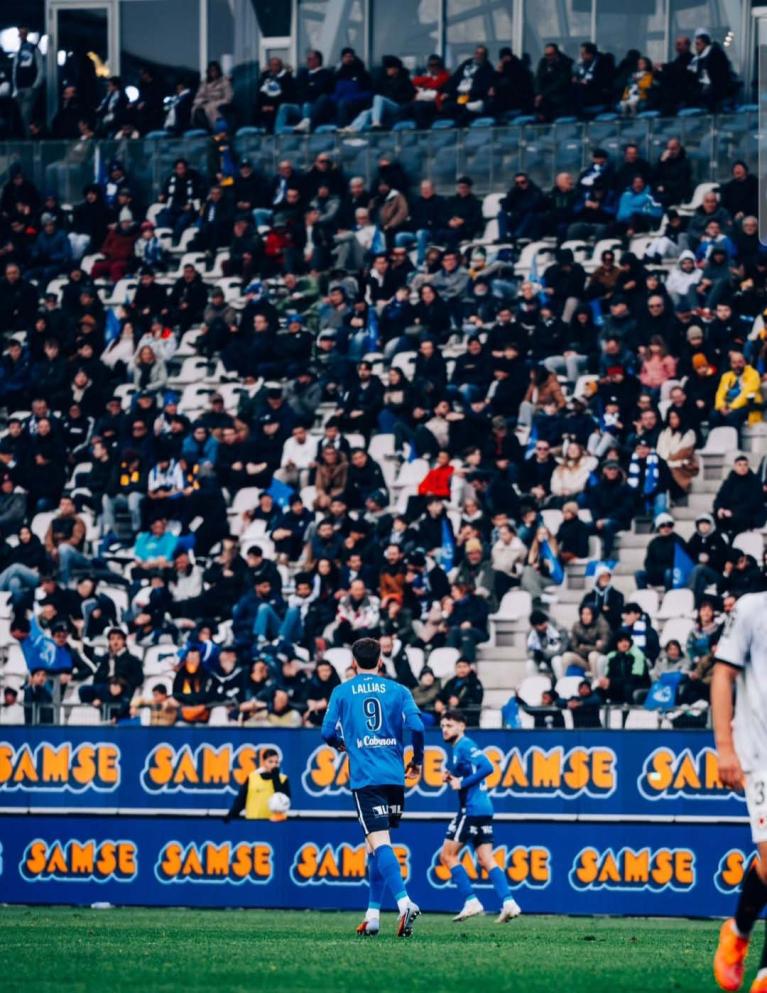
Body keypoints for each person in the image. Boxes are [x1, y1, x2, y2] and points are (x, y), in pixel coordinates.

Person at [321, 636, 423, 937]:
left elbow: (326, 732)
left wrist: (340, 744)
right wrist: (417, 760)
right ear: (380, 661)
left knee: (379, 842)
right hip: (394, 775)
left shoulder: (342, 691)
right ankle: (373, 915)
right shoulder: (399, 690)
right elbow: (417, 726)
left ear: (353, 662)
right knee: (374, 845)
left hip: (366, 776)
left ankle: (404, 903)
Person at [712, 591, 767, 992]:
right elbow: (722, 675)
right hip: (760, 755)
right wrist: (724, 747)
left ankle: (758, 963)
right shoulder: (751, 609)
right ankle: (740, 932)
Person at [438, 709, 522, 923]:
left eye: (449, 725)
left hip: (471, 809)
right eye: (443, 726)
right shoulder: (459, 749)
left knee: (447, 856)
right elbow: (466, 770)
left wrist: (461, 783)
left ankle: (471, 901)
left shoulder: (465, 745)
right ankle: (509, 902)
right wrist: (452, 776)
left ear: (462, 726)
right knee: (485, 858)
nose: (444, 729)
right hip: (484, 808)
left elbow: (487, 767)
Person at [224, 748, 291, 821]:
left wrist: (275, 777)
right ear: (264, 762)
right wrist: (231, 814)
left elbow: (284, 801)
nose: (274, 765)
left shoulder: (283, 779)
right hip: (253, 822)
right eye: (270, 762)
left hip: (274, 823)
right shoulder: (252, 778)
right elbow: (241, 800)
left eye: (276, 762)